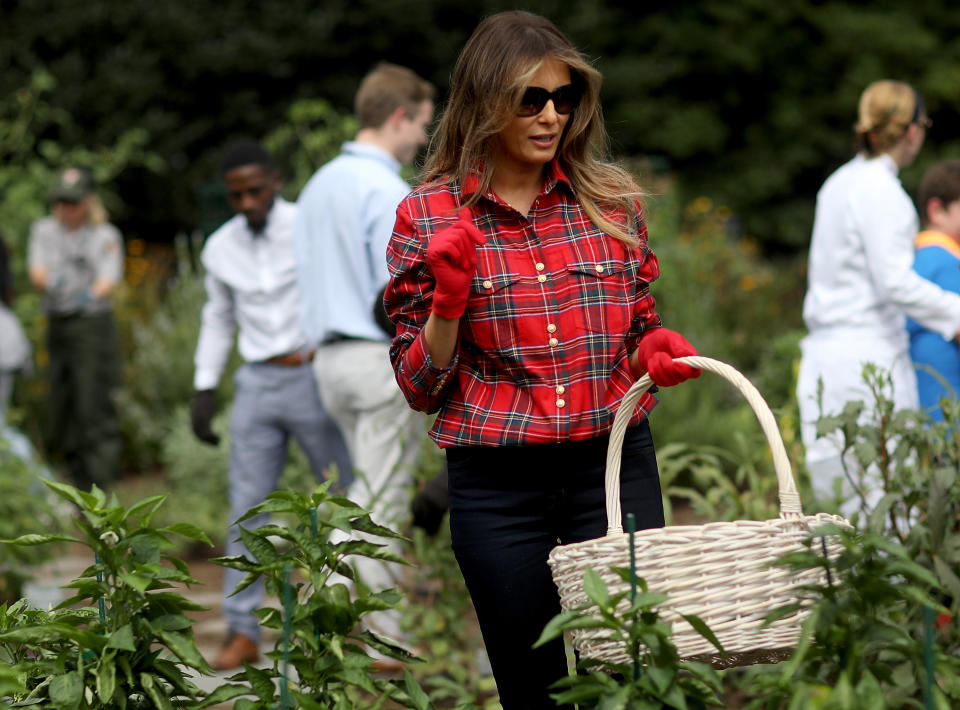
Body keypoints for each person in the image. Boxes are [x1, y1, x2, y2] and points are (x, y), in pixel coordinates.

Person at [384, 11, 700, 708]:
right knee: (538, 690)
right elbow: (419, 384)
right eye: (532, 98)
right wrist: (447, 304)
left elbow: (640, 326)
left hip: (611, 469)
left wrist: (655, 351)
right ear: (485, 100)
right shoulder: (430, 215)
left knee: (637, 674)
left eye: (566, 99)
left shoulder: (609, 201)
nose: (552, 114)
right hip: (498, 487)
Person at [191, 140, 352, 671]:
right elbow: (218, 317)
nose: (246, 203)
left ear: (275, 182)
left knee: (345, 493)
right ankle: (241, 630)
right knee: (247, 507)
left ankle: (351, 621)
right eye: (236, 194)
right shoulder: (220, 247)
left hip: (311, 372)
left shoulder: (308, 226)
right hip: (257, 382)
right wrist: (205, 386)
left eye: (255, 190)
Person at [293, 62, 435, 651]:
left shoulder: (318, 183)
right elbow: (394, 292)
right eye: (423, 124)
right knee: (380, 499)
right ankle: (382, 639)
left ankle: (335, 615)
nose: (425, 140)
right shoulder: (383, 189)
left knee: (362, 490)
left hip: (327, 362)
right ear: (398, 117)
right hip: (377, 360)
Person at [797, 80, 960, 511]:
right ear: (912, 131)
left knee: (837, 495)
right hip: (866, 359)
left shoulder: (837, 183)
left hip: (824, 359)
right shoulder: (884, 192)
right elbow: (896, 282)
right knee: (885, 499)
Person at [27, 167, 123, 490]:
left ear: (89, 202)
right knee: (62, 404)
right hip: (58, 324)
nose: (67, 209)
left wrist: (80, 294)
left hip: (90, 326)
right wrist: (60, 286)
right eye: (62, 202)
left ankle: (101, 488)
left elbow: (106, 282)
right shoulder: (44, 231)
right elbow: (37, 275)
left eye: (74, 202)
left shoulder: (104, 236)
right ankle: (74, 485)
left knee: (91, 403)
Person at [907, 160, 960, 422]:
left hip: (925, 417)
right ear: (937, 211)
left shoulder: (912, 262)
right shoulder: (948, 264)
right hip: (952, 420)